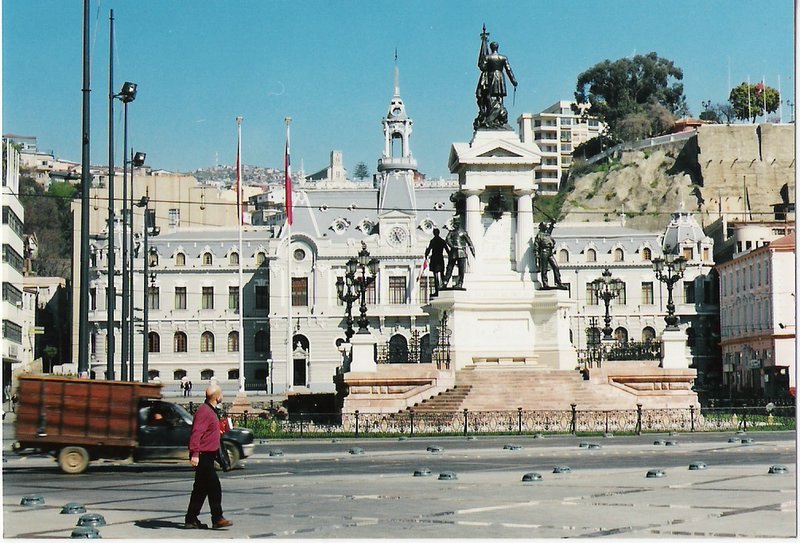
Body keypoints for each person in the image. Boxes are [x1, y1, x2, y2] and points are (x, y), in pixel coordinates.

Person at [185, 384, 232, 529]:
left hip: (208, 456)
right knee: (214, 487)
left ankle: (191, 519)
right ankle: (217, 518)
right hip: (203, 456)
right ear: (217, 397)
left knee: (200, 489)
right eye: (221, 393)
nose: (222, 395)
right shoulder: (204, 411)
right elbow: (196, 433)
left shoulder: (210, 410)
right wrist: (195, 453)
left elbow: (207, 432)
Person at [474, 26, 518, 130]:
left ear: (492, 47)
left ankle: (493, 117)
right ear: (497, 48)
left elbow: (482, 67)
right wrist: (514, 81)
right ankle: (496, 117)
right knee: (500, 97)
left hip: (491, 77)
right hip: (500, 77)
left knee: (490, 97)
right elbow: (509, 70)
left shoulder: (488, 57)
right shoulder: (503, 57)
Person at [443, 218, 475, 289]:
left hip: (461, 252)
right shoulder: (451, 232)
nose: (454, 225)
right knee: (449, 268)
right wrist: (452, 246)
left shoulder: (463, 232)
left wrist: (473, 251)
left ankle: (460, 282)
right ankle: (445, 282)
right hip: (453, 252)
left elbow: (469, 242)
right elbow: (447, 239)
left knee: (461, 269)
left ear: (458, 224)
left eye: (455, 224)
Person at [534, 221, 565, 289]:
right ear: (541, 227)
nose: (546, 226)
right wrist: (537, 256)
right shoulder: (539, 235)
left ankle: (558, 282)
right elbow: (536, 246)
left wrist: (552, 223)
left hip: (550, 252)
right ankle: (545, 284)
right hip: (544, 252)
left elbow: (550, 229)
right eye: (545, 225)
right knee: (544, 269)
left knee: (556, 267)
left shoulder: (547, 234)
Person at [424, 228, 450, 296]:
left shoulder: (433, 241)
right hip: (440, 258)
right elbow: (447, 250)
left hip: (435, 259)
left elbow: (429, 249)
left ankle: (437, 290)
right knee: (442, 274)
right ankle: (443, 287)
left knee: (436, 276)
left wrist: (426, 254)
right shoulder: (442, 241)